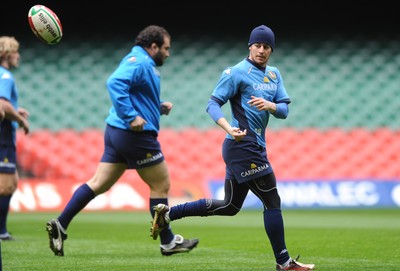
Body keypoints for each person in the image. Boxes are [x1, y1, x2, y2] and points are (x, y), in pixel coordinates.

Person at [151, 25, 315, 270]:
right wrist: (228, 127)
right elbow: (213, 104)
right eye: (257, 45)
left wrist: (270, 106)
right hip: (241, 144)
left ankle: (168, 214)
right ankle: (284, 262)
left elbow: (284, 110)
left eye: (266, 46)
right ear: (249, 46)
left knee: (230, 207)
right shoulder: (236, 72)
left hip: (254, 146)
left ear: (271, 50)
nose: (261, 50)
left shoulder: (274, 74)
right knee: (272, 200)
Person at [46, 25, 199, 256]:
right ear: (154, 46)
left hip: (116, 132)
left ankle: (61, 224)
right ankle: (168, 241)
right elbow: (114, 83)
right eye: (166, 48)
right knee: (161, 185)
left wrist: (156, 108)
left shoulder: (140, 61)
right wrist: (131, 116)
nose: (168, 53)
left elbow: (136, 94)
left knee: (99, 183)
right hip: (134, 135)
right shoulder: (139, 60)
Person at [0, 36, 30, 241]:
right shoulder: (6, 76)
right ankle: (1, 231)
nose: (18, 55)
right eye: (16, 51)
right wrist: (20, 120)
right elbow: (2, 104)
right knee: (6, 185)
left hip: (4, 135)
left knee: (12, 182)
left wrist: (14, 111)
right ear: (7, 53)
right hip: (3, 136)